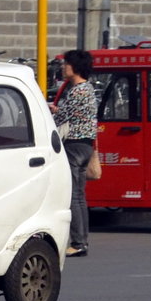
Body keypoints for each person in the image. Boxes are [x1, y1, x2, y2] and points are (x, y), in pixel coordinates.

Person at [53, 49, 97, 258]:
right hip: (86, 146)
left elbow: (61, 118)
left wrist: (51, 111)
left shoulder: (77, 91)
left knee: (72, 196)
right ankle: (81, 241)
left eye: (66, 64)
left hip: (74, 146)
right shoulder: (87, 89)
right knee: (79, 197)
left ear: (75, 67)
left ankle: (78, 242)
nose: (63, 67)